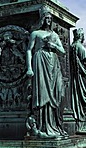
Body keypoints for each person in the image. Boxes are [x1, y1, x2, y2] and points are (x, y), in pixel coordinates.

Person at [26, 7, 67, 138]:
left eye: (50, 18)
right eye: (46, 18)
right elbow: (28, 50)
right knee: (42, 93)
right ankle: (42, 125)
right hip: (40, 61)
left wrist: (53, 46)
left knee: (57, 93)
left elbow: (63, 51)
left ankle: (54, 125)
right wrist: (29, 68)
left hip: (53, 64)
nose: (48, 20)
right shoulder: (35, 34)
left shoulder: (54, 35)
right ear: (42, 19)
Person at [70, 28, 86, 133]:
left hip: (74, 78)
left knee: (78, 100)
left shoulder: (71, 47)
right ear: (81, 36)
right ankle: (83, 124)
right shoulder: (81, 48)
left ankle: (79, 123)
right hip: (83, 77)